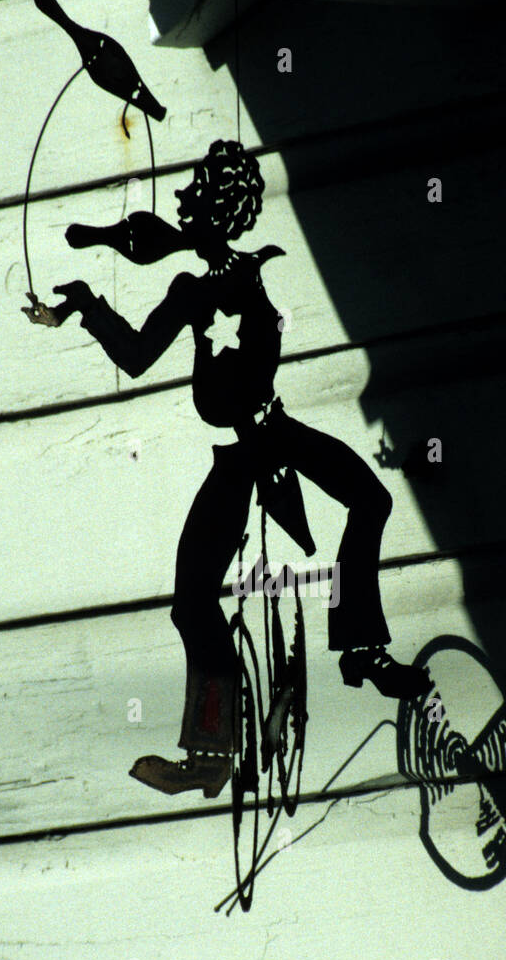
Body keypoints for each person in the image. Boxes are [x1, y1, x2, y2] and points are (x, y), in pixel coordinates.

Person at [33, 140, 431, 798]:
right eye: (203, 204)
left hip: (270, 433)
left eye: (212, 204)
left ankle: (358, 647)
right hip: (249, 452)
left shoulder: (235, 279)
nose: (201, 215)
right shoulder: (198, 290)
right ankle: (214, 750)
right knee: (194, 601)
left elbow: (206, 330)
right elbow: (135, 355)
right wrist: (84, 307)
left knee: (369, 501)